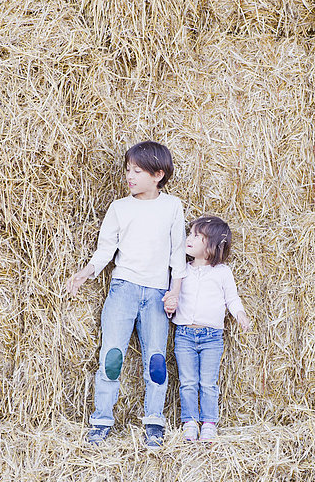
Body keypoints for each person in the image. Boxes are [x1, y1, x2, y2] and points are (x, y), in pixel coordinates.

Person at [66, 141, 186, 447]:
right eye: (128, 170)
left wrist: (174, 293)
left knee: (156, 361)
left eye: (137, 171)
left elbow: (177, 256)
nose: (129, 176)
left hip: (157, 293)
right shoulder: (119, 208)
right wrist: (85, 273)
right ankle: (102, 420)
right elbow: (106, 250)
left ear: (158, 174)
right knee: (112, 357)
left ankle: (154, 422)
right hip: (123, 289)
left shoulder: (172, 207)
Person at [164, 216, 250, 442]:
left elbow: (231, 299)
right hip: (184, 334)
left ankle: (209, 422)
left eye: (195, 235)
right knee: (188, 381)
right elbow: (173, 296)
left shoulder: (222, 272)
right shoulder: (182, 270)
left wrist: (239, 313)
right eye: (189, 234)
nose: (188, 238)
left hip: (212, 337)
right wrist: (169, 305)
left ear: (211, 244)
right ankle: (190, 422)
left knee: (208, 382)